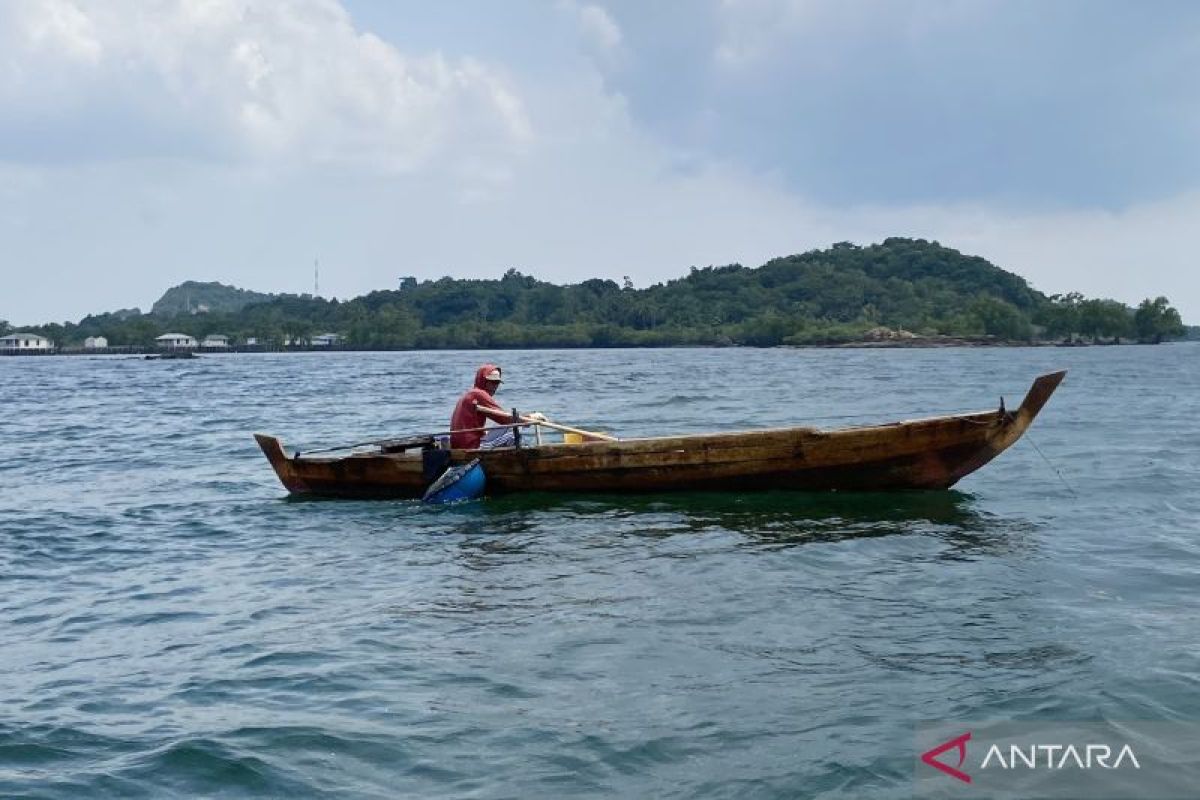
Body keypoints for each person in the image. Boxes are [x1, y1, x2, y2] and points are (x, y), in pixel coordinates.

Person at [449, 364, 546, 450]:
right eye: (492, 382)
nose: (495, 386)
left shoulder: (470, 393)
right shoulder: (479, 394)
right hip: (471, 446)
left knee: (506, 427)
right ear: (483, 381)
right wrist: (532, 418)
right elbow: (505, 419)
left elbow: (502, 418)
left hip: (460, 444)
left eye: (497, 383)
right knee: (514, 432)